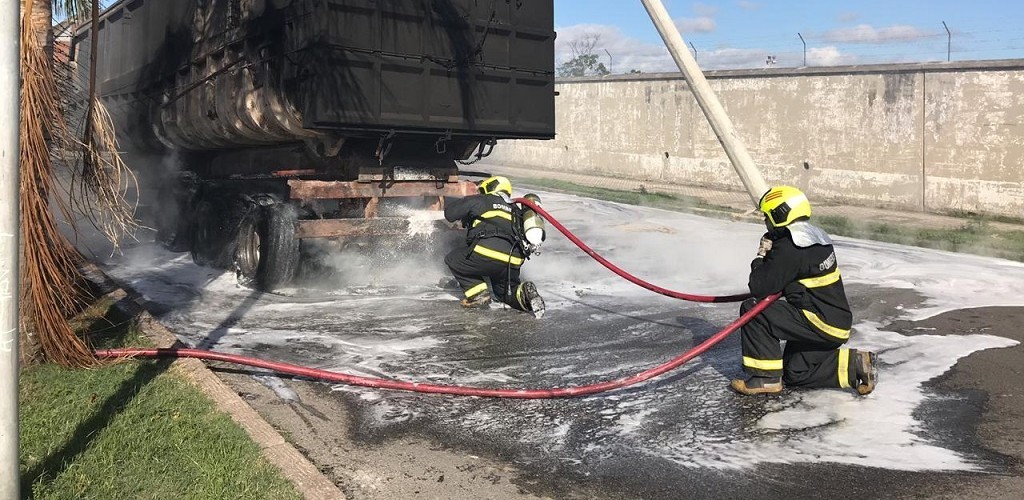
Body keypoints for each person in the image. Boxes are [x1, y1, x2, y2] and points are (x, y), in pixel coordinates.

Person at [731, 185, 877, 396]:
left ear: (779, 214)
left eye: (767, 216)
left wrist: (761, 257)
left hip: (819, 321)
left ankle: (765, 379)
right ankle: (857, 365)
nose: (765, 221)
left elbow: (760, 287)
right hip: (835, 323)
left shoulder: (791, 247)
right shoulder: (815, 236)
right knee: (796, 372)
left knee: (753, 310)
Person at [443, 175, 545, 317]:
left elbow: (450, 213)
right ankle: (525, 294)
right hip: (512, 260)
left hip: (486, 252)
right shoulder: (516, 209)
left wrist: (465, 204)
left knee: (453, 259)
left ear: (490, 187)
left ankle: (478, 294)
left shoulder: (481, 200)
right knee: (505, 294)